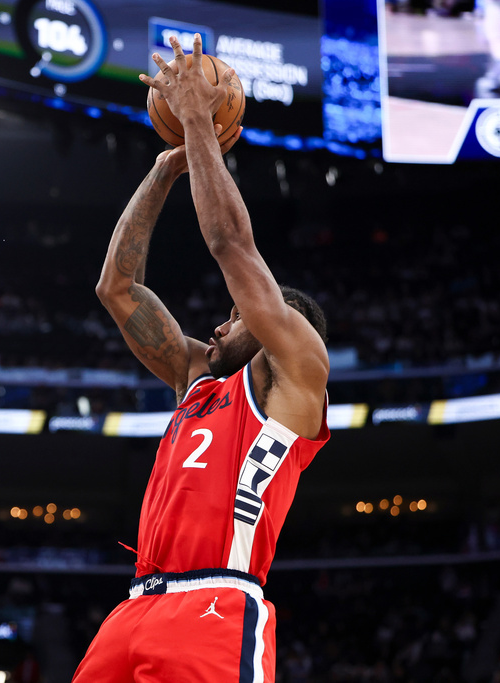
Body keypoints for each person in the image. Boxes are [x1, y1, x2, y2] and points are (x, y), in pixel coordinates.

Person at [73, 35, 330, 683]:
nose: (217, 322)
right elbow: (116, 288)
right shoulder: (197, 378)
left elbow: (231, 245)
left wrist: (197, 125)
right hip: (132, 607)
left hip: (215, 605)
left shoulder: (295, 372)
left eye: (235, 313)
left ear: (278, 319)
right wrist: (165, 169)